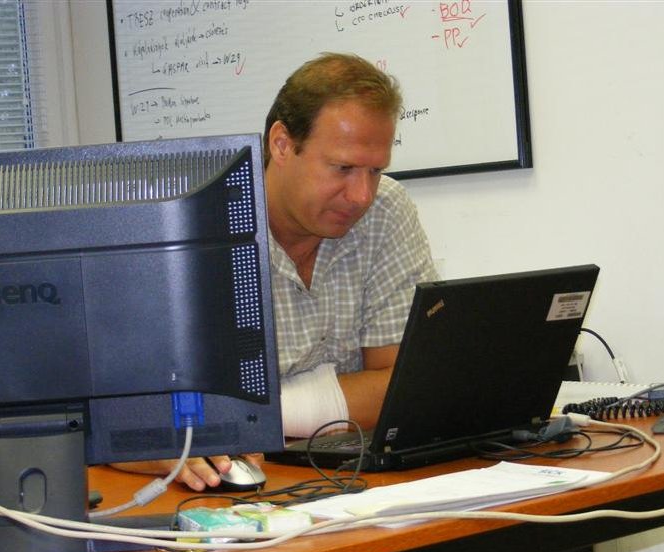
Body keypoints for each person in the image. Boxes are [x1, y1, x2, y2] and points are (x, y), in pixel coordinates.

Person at [112, 53, 436, 491]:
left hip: (340, 480)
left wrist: (246, 418)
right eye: (342, 168)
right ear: (281, 144)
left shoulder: (386, 211)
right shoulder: (189, 229)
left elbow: (404, 386)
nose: (362, 195)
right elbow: (126, 416)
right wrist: (157, 440)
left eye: (375, 170)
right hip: (215, 492)